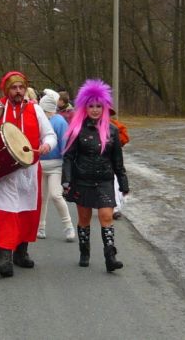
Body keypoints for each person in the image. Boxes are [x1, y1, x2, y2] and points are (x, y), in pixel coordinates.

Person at [0, 71, 57, 278]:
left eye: (21, 87)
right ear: (6, 90)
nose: (18, 91)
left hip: (29, 170)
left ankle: (21, 252)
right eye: (14, 88)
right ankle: (3, 258)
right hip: (3, 170)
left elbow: (50, 135)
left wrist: (46, 145)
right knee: (3, 212)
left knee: (26, 211)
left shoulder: (35, 109)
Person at [62, 79, 129, 272]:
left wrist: (123, 183)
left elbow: (118, 160)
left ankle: (110, 256)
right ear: (85, 107)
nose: (95, 110)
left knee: (106, 216)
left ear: (105, 107)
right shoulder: (78, 129)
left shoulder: (113, 131)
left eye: (99, 106)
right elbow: (68, 157)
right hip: (82, 180)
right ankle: (84, 251)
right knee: (84, 219)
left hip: (105, 180)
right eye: (91, 106)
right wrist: (66, 180)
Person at [36, 89, 75, 242]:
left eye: (44, 110)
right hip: (40, 164)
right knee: (41, 197)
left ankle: (68, 226)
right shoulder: (39, 120)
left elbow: (65, 146)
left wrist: (67, 170)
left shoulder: (59, 122)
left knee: (55, 195)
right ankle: (41, 227)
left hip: (56, 166)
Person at [110, 113, 130, 219]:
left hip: (113, 160)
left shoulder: (114, 126)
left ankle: (116, 208)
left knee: (115, 183)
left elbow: (125, 138)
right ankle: (116, 207)